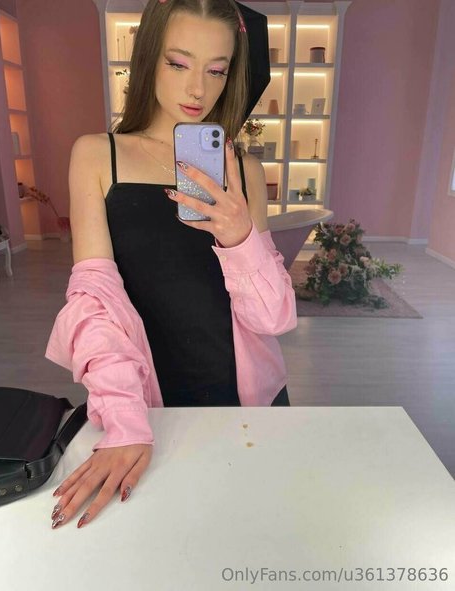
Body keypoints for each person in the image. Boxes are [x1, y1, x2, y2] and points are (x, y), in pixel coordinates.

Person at [46, 0, 297, 530]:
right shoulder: (97, 155)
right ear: (149, 60)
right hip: (145, 402)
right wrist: (125, 419)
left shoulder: (244, 170)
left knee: (250, 531)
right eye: (178, 63)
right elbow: (94, 301)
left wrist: (240, 236)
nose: (197, 89)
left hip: (247, 402)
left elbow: (274, 318)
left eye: (216, 70)